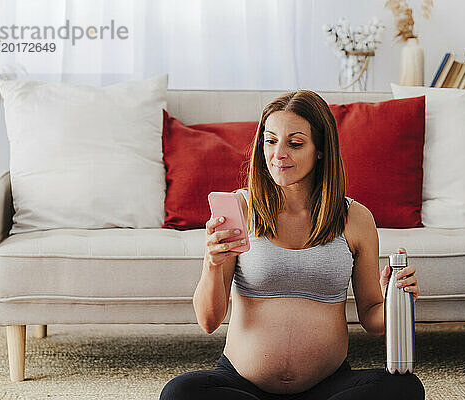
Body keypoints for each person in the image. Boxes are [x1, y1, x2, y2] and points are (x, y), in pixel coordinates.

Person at [160, 90, 425, 400]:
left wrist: (396, 297)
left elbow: (373, 320)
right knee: (180, 392)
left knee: (404, 388)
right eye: (270, 141)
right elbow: (208, 321)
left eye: (295, 143)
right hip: (243, 384)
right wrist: (212, 263)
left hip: (327, 387)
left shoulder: (355, 218)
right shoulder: (240, 209)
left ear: (320, 150)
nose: (278, 154)